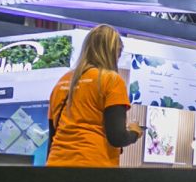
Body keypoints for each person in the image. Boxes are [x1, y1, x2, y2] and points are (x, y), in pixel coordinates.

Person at [45, 25, 140, 168]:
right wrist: (134, 133)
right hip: (93, 166)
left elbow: (53, 134)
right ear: (114, 52)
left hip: (55, 164)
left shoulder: (62, 82)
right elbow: (117, 137)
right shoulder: (111, 80)